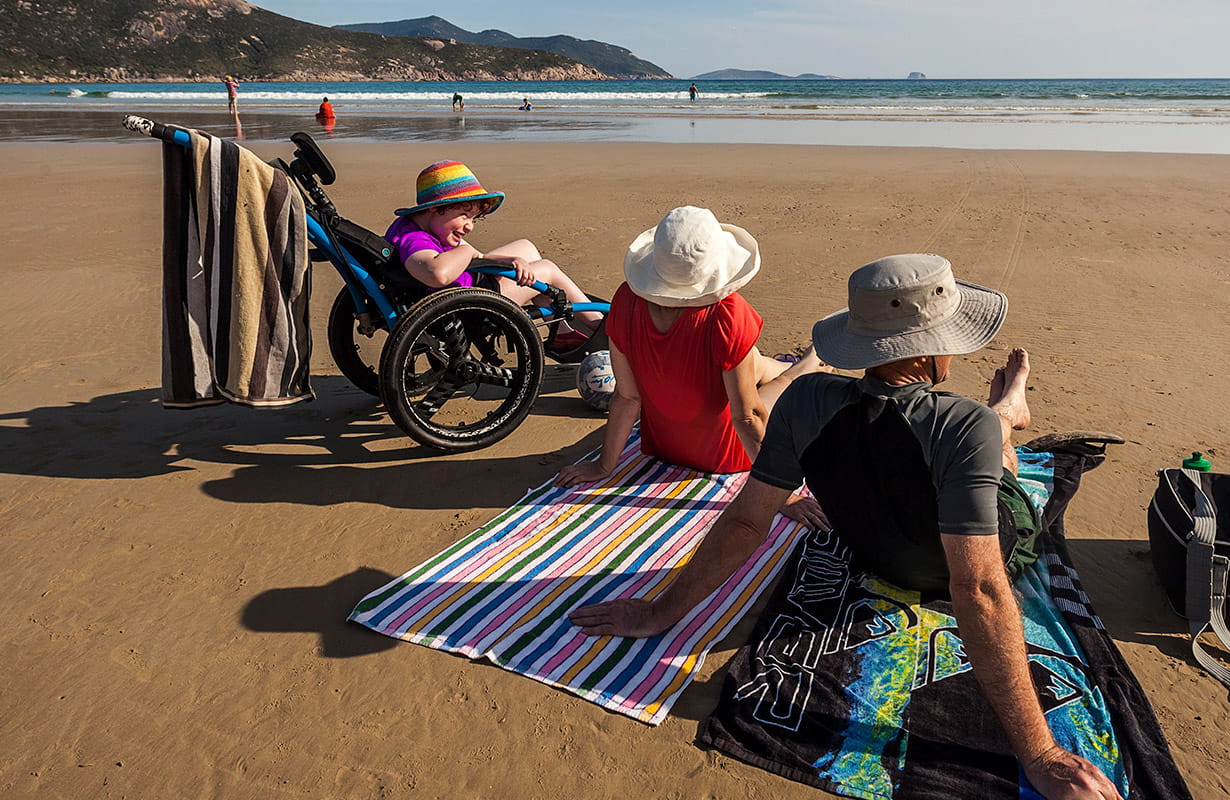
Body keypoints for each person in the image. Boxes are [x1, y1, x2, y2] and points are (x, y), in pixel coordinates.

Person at [569, 254, 1121, 800]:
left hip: (875, 555)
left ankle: (1007, 411)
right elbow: (976, 586)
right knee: (998, 457)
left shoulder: (806, 400)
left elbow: (744, 520)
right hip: (984, 538)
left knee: (976, 444)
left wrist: (660, 612)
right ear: (930, 349)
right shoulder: (961, 423)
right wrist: (1041, 753)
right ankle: (1009, 410)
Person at [555, 207, 828, 527]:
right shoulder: (727, 313)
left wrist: (604, 466)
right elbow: (746, 417)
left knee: (751, 362)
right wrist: (784, 495)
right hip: (725, 455)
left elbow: (627, 398)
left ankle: (776, 363)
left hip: (665, 444)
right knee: (781, 382)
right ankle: (815, 359)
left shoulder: (626, 300)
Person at [383, 161, 603, 348]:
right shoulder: (414, 239)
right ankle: (598, 325)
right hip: (469, 304)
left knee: (524, 248)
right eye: (463, 215)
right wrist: (466, 250)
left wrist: (507, 261)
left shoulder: (419, 227)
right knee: (547, 269)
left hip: (467, 285)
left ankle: (561, 329)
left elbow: (475, 258)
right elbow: (437, 274)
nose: (469, 226)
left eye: (474, 219)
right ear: (434, 208)